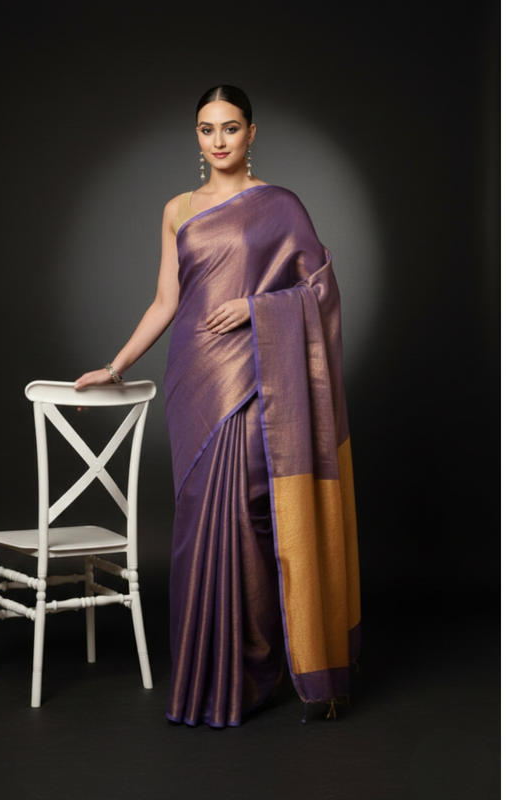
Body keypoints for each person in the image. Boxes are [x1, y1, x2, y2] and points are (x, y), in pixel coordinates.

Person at [75, 85, 361, 727]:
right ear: (197, 137)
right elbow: (165, 301)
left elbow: (319, 289)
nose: (219, 140)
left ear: (251, 133)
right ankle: (204, 676)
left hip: (257, 379)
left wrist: (257, 309)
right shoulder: (177, 209)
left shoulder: (281, 205)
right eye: (207, 129)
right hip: (193, 378)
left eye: (231, 127)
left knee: (249, 519)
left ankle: (253, 671)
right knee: (198, 522)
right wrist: (116, 367)